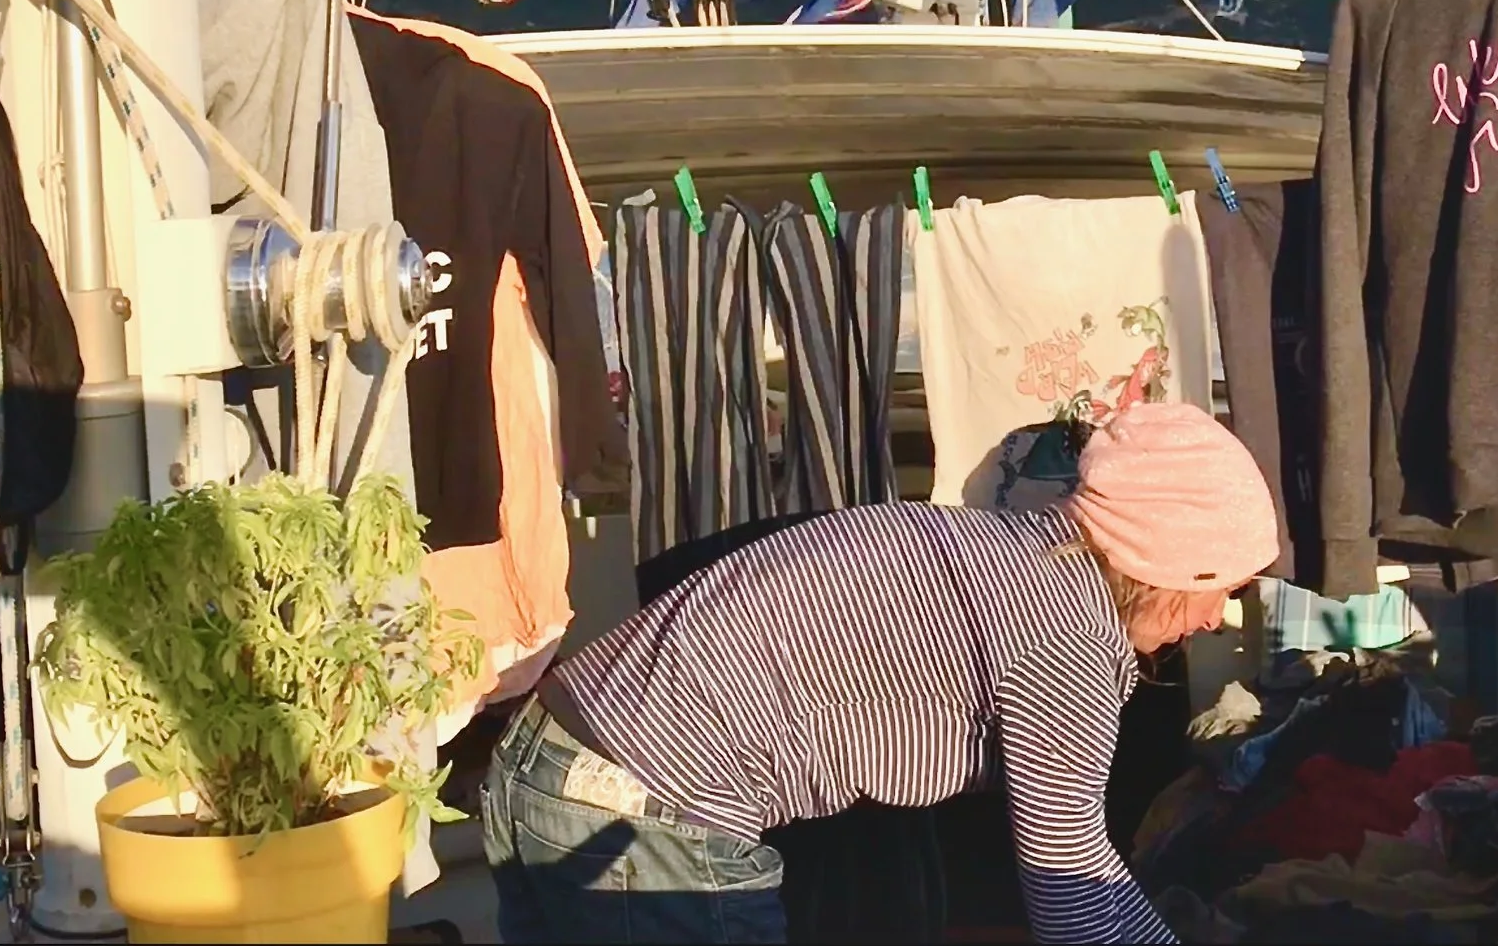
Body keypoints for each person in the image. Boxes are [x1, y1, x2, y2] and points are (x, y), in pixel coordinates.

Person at [482, 401, 1281, 944]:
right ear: (1169, 556)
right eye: (1221, 588)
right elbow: (1066, 884)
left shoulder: (1001, 549)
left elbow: (1080, 858)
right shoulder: (1064, 633)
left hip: (548, 764)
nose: (1216, 618)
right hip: (643, 806)